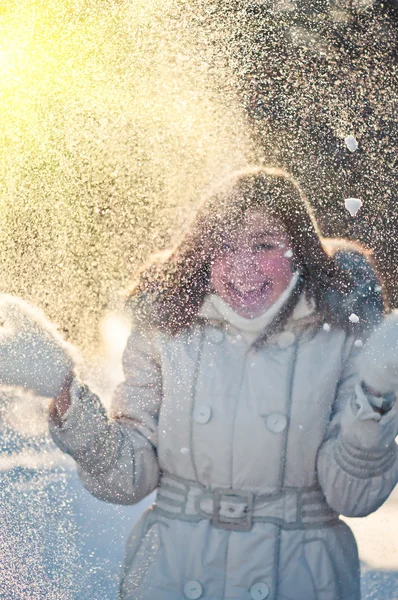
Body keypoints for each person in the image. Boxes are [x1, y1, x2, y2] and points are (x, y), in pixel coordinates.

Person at [0, 166, 396, 600]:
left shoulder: (344, 334)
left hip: (299, 574)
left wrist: (375, 399)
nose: (243, 266)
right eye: (224, 246)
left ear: (298, 249)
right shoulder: (167, 330)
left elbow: (353, 497)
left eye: (264, 245)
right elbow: (129, 477)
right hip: (175, 569)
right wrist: (66, 397)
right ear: (204, 256)